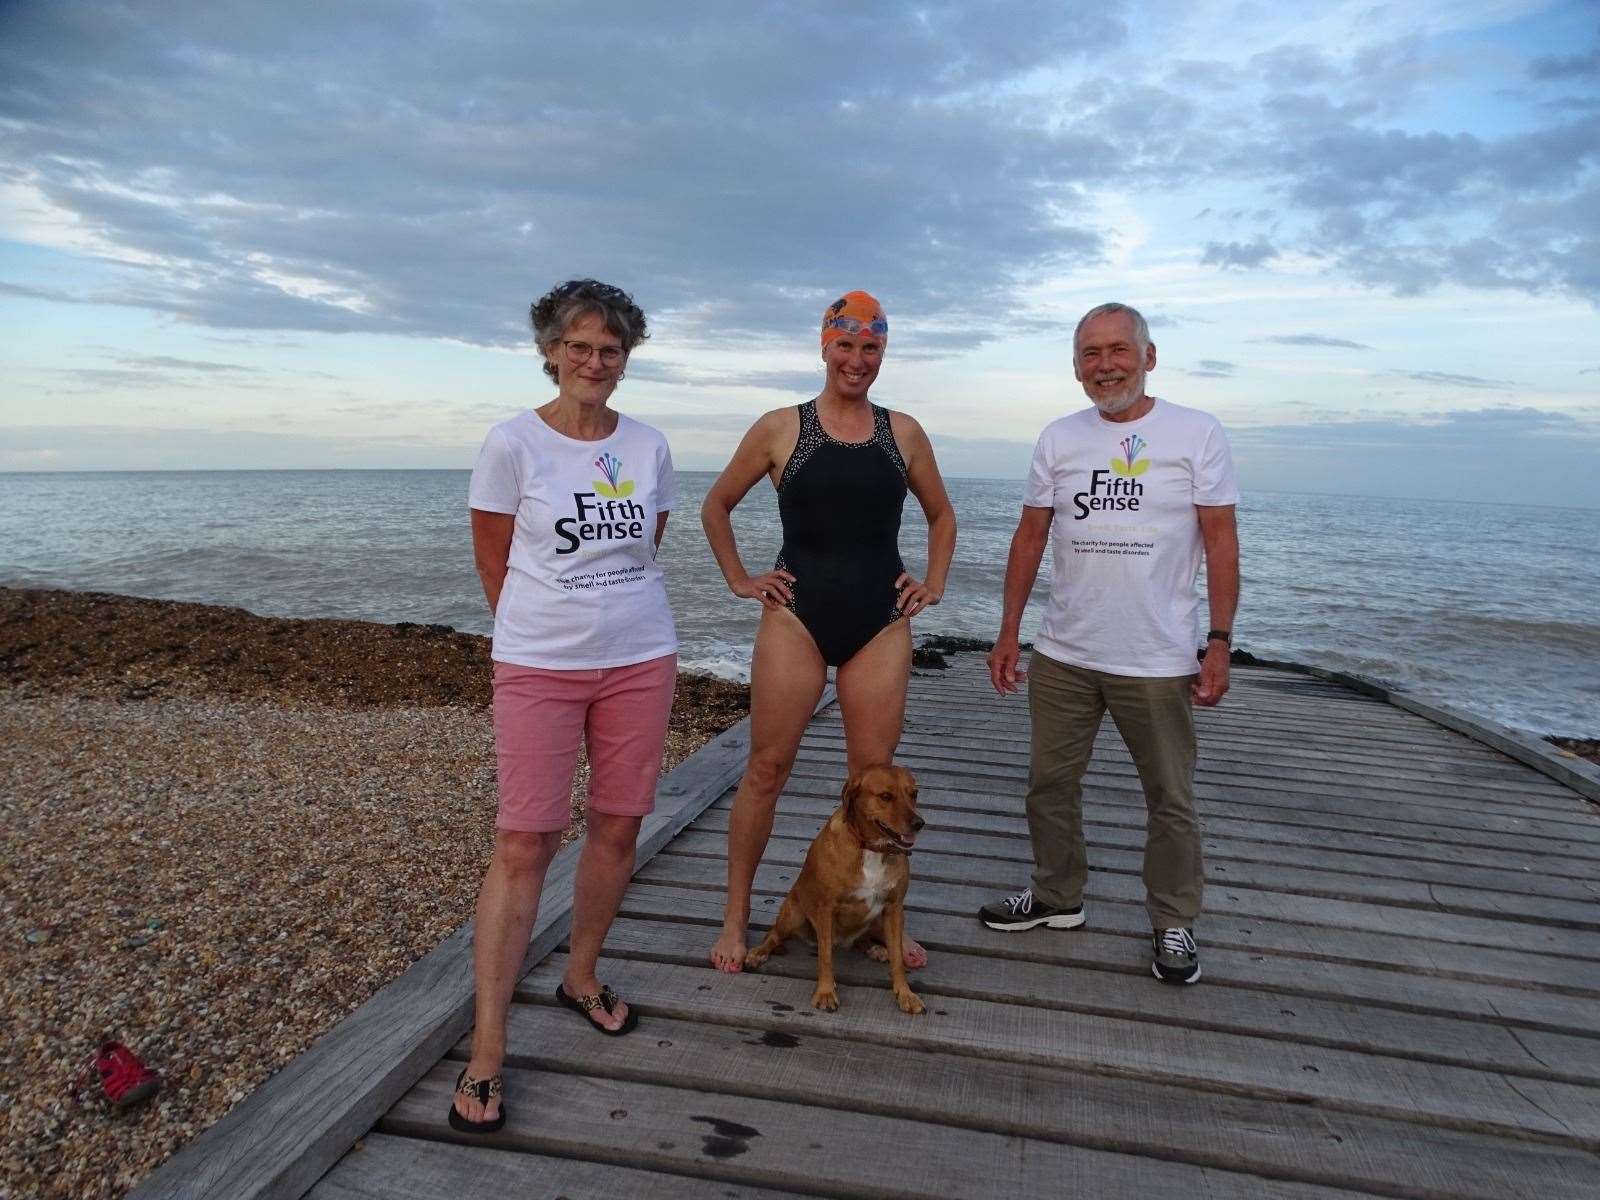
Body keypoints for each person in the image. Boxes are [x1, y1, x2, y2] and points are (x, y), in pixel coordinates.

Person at [453, 279, 677, 1133]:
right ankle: (487, 1047)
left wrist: (604, 621)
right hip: (538, 663)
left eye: (610, 350)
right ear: (550, 350)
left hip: (640, 657)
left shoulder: (650, 446)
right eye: (578, 347)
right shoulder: (510, 444)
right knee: (525, 840)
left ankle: (582, 974)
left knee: (618, 825)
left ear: (626, 359)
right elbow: (494, 565)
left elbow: (643, 548)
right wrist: (543, 635)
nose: (593, 362)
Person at [980, 302, 1239, 985]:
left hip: (1156, 658)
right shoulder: (1059, 439)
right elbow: (1031, 534)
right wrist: (1008, 630)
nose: (1105, 365)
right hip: (1064, 652)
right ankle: (1057, 897)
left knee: (1170, 797)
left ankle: (1174, 922)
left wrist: (1218, 640)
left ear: (1148, 358)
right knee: (1049, 786)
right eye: (1090, 354)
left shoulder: (1196, 433)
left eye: (1118, 350)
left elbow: (1220, 540)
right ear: (1075, 367)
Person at [703, 290, 957, 973]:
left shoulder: (901, 433)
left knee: (875, 786)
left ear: (883, 353)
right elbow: (716, 505)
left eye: (871, 348)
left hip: (880, 622)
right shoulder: (781, 428)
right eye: (845, 345)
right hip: (796, 618)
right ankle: (736, 917)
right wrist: (742, 578)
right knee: (766, 769)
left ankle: (876, 923)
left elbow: (942, 517)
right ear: (824, 347)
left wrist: (931, 583)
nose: (857, 359)